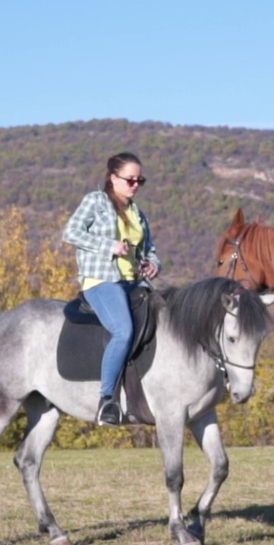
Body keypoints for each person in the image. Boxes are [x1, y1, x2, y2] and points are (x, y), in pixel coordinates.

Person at [63, 152, 162, 426]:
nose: (135, 184)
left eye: (139, 179)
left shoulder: (137, 213)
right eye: (130, 179)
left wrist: (153, 265)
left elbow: (150, 250)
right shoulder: (95, 201)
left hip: (135, 283)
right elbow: (70, 232)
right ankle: (107, 400)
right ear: (113, 178)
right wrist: (110, 246)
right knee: (123, 330)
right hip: (101, 281)